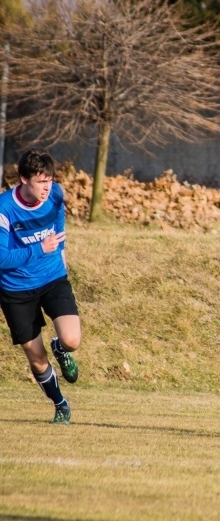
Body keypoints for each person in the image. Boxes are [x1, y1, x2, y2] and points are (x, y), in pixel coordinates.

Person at [0, 148, 81, 424]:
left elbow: (58, 218)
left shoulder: (56, 194)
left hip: (52, 278)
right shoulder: (4, 209)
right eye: (40, 181)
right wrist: (39, 249)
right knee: (36, 357)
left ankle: (60, 348)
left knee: (72, 340)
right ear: (24, 179)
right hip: (15, 290)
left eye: (49, 180)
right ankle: (60, 404)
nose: (47, 188)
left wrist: (61, 252)